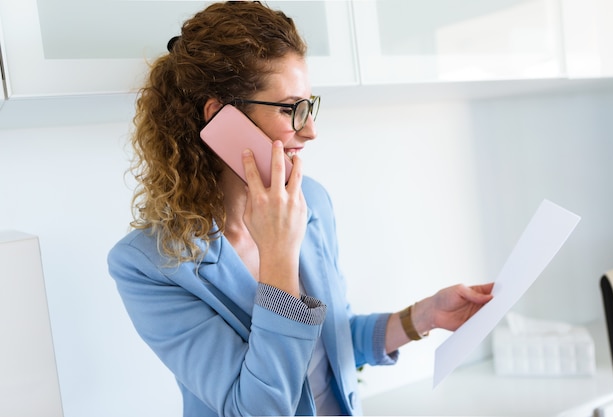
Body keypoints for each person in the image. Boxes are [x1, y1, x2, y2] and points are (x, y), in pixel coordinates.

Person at [107, 2, 494, 416]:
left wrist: (425, 316)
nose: (310, 130)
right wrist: (278, 254)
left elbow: (331, 344)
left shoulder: (311, 201)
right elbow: (256, 408)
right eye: (292, 109)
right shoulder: (149, 265)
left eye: (309, 106)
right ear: (220, 116)